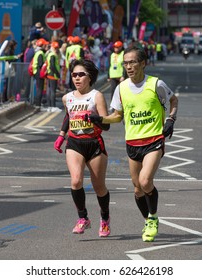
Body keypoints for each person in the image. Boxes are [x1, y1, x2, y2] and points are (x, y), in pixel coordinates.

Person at [86, 46, 178, 242]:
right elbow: (117, 117)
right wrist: (100, 120)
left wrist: (171, 119)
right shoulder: (121, 88)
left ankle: (153, 218)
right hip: (132, 142)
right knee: (137, 188)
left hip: (153, 139)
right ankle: (147, 220)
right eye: (125, 63)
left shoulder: (156, 84)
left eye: (132, 62)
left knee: (145, 181)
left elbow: (174, 100)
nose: (128, 66)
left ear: (143, 63)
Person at [53, 59, 111, 237]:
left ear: (90, 77)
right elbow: (68, 117)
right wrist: (61, 136)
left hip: (94, 144)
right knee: (76, 181)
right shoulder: (67, 97)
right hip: (75, 143)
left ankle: (105, 218)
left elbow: (106, 125)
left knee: (99, 187)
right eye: (74, 75)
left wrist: (95, 118)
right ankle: (83, 218)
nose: (77, 78)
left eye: (81, 75)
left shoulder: (96, 96)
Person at [31, 38, 49, 108]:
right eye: (45, 45)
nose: (46, 46)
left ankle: (38, 103)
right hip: (39, 73)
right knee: (40, 89)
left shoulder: (38, 52)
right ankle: (38, 104)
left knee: (39, 88)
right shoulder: (40, 53)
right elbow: (40, 64)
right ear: (42, 45)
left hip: (37, 72)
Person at [108, 41, 125, 108]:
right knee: (113, 91)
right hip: (113, 75)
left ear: (121, 47)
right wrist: (108, 76)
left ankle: (122, 105)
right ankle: (113, 105)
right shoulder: (112, 55)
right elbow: (110, 65)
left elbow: (124, 65)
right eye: (115, 47)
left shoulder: (123, 54)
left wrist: (123, 75)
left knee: (121, 91)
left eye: (117, 47)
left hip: (120, 76)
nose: (116, 49)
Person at [46, 41, 61, 112]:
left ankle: (49, 106)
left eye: (57, 48)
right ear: (52, 47)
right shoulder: (53, 55)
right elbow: (52, 66)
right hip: (53, 75)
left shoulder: (50, 54)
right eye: (55, 48)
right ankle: (53, 106)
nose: (56, 49)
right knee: (52, 91)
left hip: (50, 74)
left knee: (49, 90)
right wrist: (57, 73)